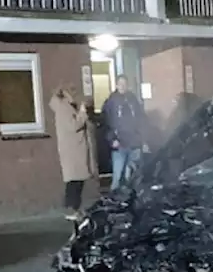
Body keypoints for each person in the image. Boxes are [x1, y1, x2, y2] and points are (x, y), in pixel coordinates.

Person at [49, 87, 96, 220]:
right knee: (74, 181)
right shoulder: (64, 108)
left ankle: (74, 208)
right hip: (72, 151)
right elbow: (73, 126)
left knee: (76, 180)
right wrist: (82, 113)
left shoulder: (65, 107)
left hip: (74, 150)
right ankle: (71, 209)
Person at [100, 75, 149, 190]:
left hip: (134, 144)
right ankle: (112, 203)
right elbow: (106, 122)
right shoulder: (111, 102)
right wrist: (112, 139)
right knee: (117, 177)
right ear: (116, 85)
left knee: (132, 178)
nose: (122, 86)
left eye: (124, 84)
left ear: (128, 85)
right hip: (119, 144)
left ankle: (130, 204)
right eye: (120, 84)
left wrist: (143, 139)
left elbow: (141, 120)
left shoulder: (133, 100)